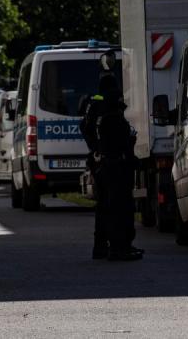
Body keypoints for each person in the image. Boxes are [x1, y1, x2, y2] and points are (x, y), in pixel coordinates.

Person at [94, 75, 143, 261]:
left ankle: (110, 246)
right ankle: (118, 248)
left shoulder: (102, 119)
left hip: (106, 167)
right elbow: (122, 147)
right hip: (117, 170)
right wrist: (131, 144)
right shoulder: (113, 121)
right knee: (119, 209)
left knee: (107, 209)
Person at [80, 76, 111, 260]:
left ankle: (101, 245)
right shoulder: (107, 103)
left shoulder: (93, 103)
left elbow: (83, 126)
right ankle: (110, 244)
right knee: (110, 204)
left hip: (98, 160)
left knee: (102, 205)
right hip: (107, 161)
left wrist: (94, 148)